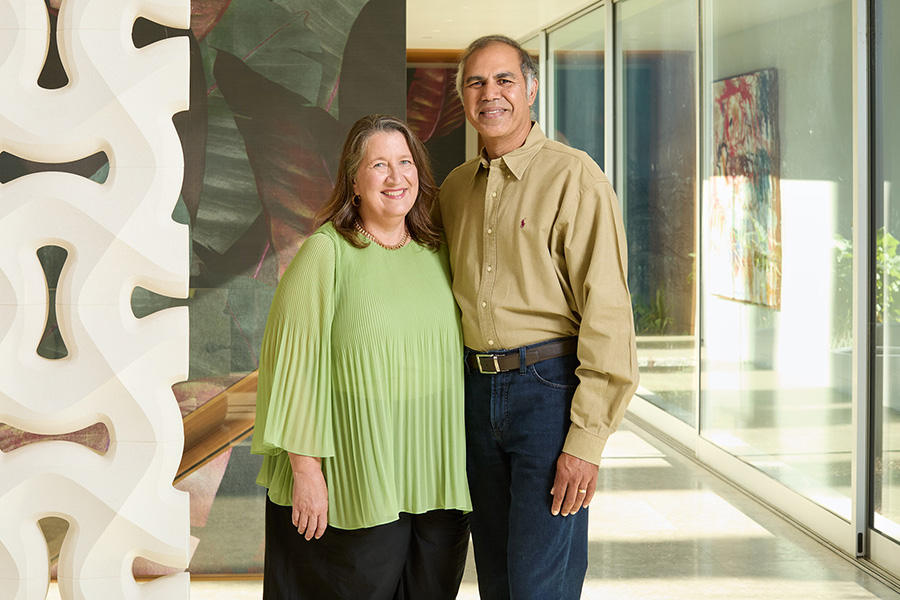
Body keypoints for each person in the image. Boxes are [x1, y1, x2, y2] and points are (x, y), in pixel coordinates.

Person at [438, 35, 640, 599]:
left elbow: (609, 314)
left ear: (531, 89)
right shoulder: (454, 189)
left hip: (547, 392)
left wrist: (586, 442)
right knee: (497, 581)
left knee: (537, 585)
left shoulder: (576, 178)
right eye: (475, 82)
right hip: (475, 395)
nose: (490, 93)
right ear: (462, 97)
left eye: (504, 80)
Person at [252, 114, 471, 600]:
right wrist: (307, 473)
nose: (396, 178)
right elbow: (292, 370)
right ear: (353, 180)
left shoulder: (439, 252)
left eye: (405, 162)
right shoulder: (326, 254)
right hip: (356, 478)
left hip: (435, 482)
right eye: (379, 165)